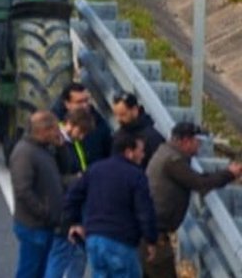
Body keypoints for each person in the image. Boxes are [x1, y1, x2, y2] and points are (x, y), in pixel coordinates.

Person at [145, 122, 242, 278]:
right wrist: (229, 174)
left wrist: (224, 173)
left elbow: (197, 179)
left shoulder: (166, 153)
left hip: (151, 231)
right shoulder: (173, 160)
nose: (200, 146)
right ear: (185, 141)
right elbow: (200, 183)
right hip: (154, 236)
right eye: (198, 142)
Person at [64, 130, 158, 278]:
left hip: (94, 239)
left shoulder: (94, 169)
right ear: (129, 152)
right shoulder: (136, 176)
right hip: (121, 241)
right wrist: (151, 239)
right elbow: (145, 212)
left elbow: (72, 196)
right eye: (140, 151)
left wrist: (74, 222)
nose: (143, 155)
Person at [11, 111, 66, 278]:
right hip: (34, 226)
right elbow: (23, 190)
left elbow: (64, 169)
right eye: (55, 129)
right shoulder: (25, 153)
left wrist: (61, 147)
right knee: (30, 271)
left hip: (44, 225)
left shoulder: (45, 149)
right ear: (43, 130)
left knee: (39, 271)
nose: (58, 133)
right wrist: (44, 212)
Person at [49, 107, 98, 278]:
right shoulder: (57, 144)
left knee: (74, 254)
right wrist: (77, 179)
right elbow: (52, 178)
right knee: (61, 254)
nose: (82, 137)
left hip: (70, 207)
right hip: (62, 209)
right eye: (81, 132)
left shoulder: (69, 142)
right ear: (71, 124)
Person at [53, 82, 113, 167]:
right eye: (79, 102)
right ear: (67, 104)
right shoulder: (55, 127)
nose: (85, 105)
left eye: (86, 100)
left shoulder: (99, 122)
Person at [112, 93, 166, 169]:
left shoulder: (152, 137)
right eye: (116, 115)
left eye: (122, 114)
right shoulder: (117, 135)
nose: (118, 119)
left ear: (134, 110)